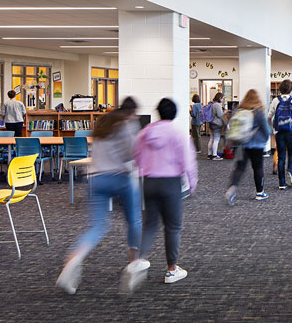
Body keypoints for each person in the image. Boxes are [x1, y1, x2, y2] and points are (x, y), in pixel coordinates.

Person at [56, 97, 144, 295]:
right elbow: (131, 155)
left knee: (97, 226)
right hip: (119, 178)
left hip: (95, 178)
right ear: (132, 112)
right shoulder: (128, 124)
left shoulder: (103, 123)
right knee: (134, 220)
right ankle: (133, 264)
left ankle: (74, 259)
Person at [133, 98, 197, 285]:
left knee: (150, 225)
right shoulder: (178, 133)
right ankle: (171, 270)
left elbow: (136, 155)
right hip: (170, 183)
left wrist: (144, 169)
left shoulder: (145, 132)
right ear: (175, 113)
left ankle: (138, 261)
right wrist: (192, 184)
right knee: (173, 227)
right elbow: (188, 161)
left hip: (149, 182)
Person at [225, 89, 272, 204]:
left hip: (241, 144)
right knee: (257, 168)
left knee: (240, 168)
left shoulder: (238, 111)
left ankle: (232, 188)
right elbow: (266, 129)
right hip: (257, 145)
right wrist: (266, 139)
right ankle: (260, 193)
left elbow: (231, 126)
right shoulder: (258, 113)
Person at [270, 78, 292, 190]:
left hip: (279, 132)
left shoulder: (275, 100)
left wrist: (272, 128)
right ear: (291, 89)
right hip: (290, 131)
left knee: (281, 156)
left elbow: (269, 116)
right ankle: (289, 171)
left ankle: (281, 183)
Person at [206, 92, 225, 160]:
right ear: (220, 98)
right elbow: (220, 115)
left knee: (211, 139)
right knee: (216, 140)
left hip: (211, 123)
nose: (223, 100)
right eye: (222, 98)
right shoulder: (217, 105)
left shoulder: (211, 104)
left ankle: (209, 154)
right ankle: (214, 155)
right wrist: (224, 112)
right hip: (217, 124)